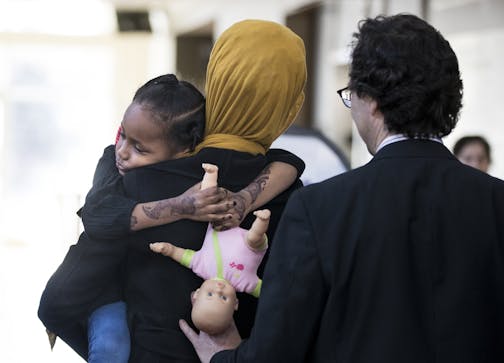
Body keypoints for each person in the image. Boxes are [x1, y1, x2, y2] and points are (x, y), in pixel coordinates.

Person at [180, 14, 504, 363]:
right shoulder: (496, 202)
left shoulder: (318, 208)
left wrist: (222, 356)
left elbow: (277, 350)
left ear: (372, 102)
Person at [38, 72, 304, 361]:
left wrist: (240, 200)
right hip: (99, 297)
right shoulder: (117, 166)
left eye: (139, 148)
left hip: (96, 301)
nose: (122, 152)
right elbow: (98, 215)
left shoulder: (170, 177)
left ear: (184, 151)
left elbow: (290, 161)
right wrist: (182, 205)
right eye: (121, 135)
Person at [117, 19, 306, 362]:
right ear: (290, 106)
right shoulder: (297, 201)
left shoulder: (143, 172)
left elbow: (89, 275)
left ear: (215, 83)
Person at [150, 163, 272, 334]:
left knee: (207, 202)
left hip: (220, 224)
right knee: (254, 238)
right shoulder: (245, 284)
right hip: (251, 244)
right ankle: (263, 220)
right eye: (224, 298)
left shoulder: (201, 267)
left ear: (197, 294)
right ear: (235, 303)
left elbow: (183, 255)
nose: (218, 290)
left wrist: (167, 249)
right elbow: (271, 292)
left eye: (210, 295)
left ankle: (211, 173)